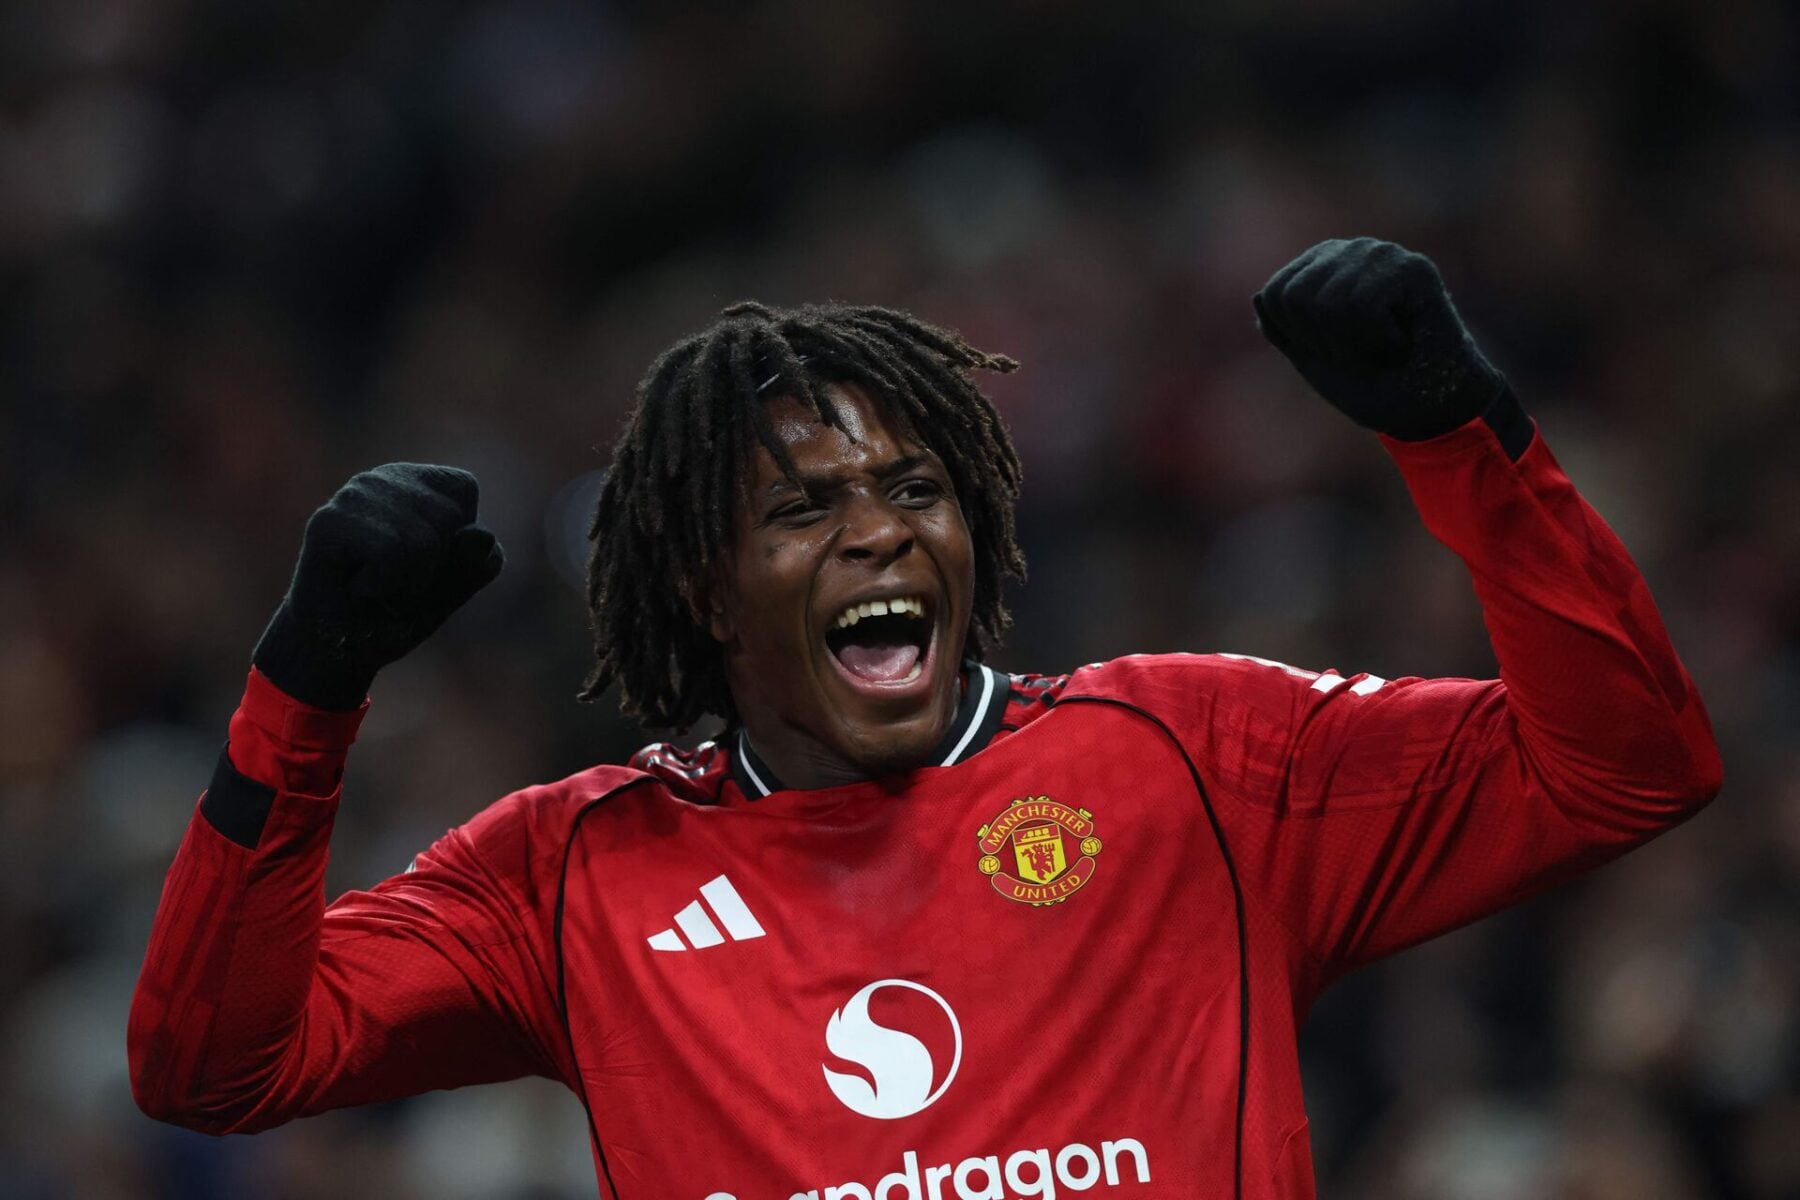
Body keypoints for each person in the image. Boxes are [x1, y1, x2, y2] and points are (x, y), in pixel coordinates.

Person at [129, 238, 1722, 1200]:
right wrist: (305, 692)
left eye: (916, 489)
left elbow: (1629, 765)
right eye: (803, 510)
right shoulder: (571, 875)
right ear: (705, 590)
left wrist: (1464, 440)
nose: (881, 535)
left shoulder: (1194, 761)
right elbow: (210, 1065)